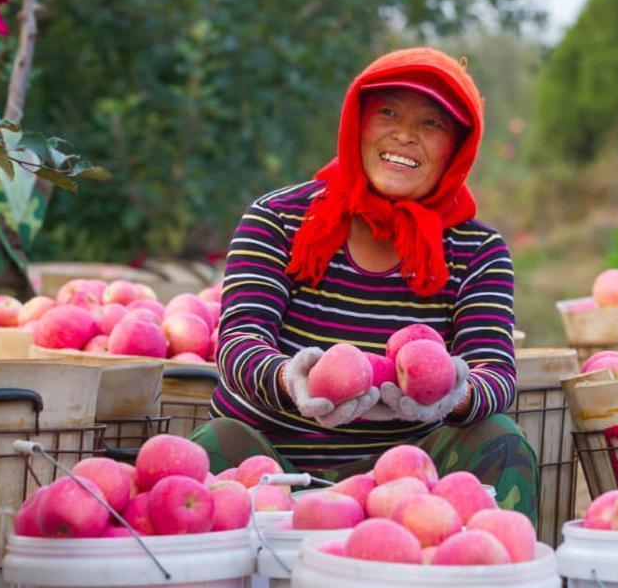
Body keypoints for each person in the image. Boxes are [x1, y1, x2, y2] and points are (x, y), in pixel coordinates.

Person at [189, 46, 538, 523]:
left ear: (458, 148)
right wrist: (293, 380)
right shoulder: (277, 220)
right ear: (357, 123)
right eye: (387, 112)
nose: (404, 135)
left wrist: (452, 392)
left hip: (410, 476)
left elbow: (495, 372)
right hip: (274, 468)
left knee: (500, 438)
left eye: (432, 124)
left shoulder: (477, 251)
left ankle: (484, 566)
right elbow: (238, 343)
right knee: (212, 445)